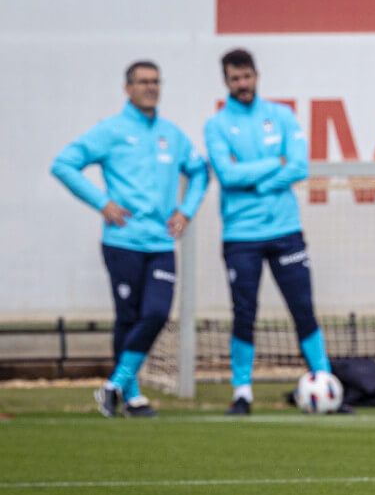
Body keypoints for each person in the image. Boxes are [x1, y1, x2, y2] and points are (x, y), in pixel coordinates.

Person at [51, 61, 208, 418]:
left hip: (161, 242)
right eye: (142, 82)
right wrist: (102, 203)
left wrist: (186, 210)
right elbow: (64, 164)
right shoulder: (111, 130)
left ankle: (113, 385)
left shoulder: (171, 134)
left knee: (155, 313)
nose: (150, 87)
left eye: (155, 81)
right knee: (128, 317)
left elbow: (199, 171)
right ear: (127, 88)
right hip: (123, 241)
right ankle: (132, 397)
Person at [205, 48, 331, 415]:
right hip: (240, 234)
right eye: (235, 79)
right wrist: (271, 167)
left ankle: (322, 381)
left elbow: (298, 167)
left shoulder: (281, 115)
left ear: (256, 76)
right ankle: (242, 392)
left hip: (285, 229)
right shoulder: (216, 125)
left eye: (246, 77)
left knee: (303, 308)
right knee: (244, 312)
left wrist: (253, 178)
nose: (242, 84)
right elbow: (226, 176)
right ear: (226, 81)